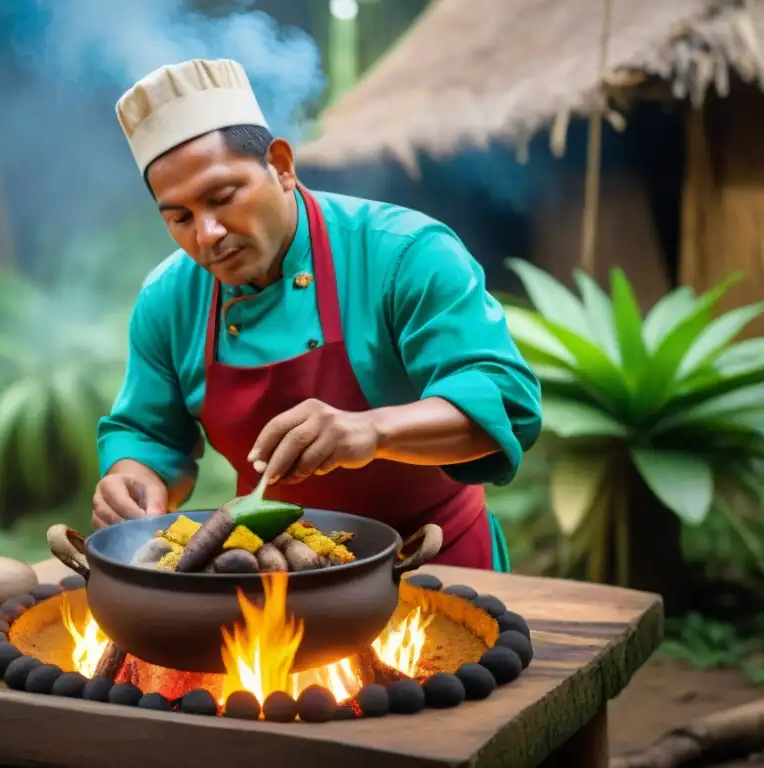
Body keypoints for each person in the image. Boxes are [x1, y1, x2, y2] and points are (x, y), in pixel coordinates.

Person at [93, 58, 542, 571]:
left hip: (435, 560)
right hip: (276, 578)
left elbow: (503, 400)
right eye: (179, 216)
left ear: (281, 165)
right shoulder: (169, 298)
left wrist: (372, 431)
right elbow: (149, 433)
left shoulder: (405, 253)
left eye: (222, 197)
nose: (207, 233)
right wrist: (135, 476)